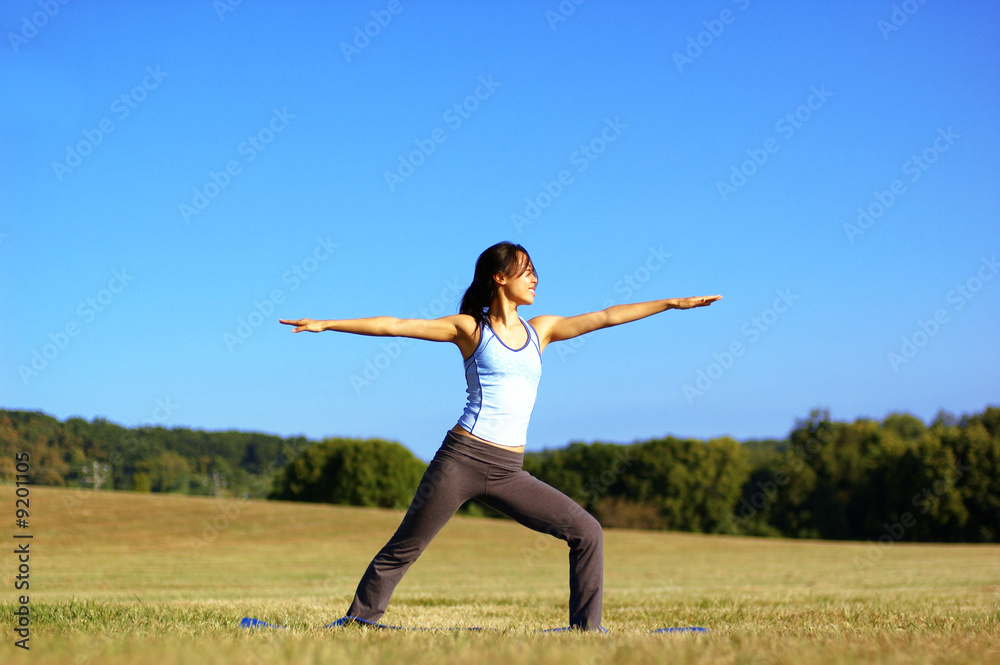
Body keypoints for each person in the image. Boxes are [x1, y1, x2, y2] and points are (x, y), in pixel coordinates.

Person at [279, 241, 720, 631]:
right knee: (406, 545)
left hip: (510, 471)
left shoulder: (540, 330)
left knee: (587, 531)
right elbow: (396, 325)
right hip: (461, 459)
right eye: (526, 271)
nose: (535, 279)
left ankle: (587, 630)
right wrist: (327, 323)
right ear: (500, 277)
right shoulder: (471, 329)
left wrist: (671, 303)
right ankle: (359, 620)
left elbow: (605, 317)